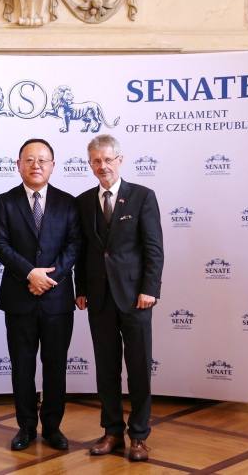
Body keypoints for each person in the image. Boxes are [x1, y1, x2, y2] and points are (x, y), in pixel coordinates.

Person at [75, 134, 164, 462]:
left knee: (139, 368)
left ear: (120, 160)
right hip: (99, 299)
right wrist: (80, 289)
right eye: (96, 161)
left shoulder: (142, 197)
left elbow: (154, 248)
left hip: (135, 298)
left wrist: (150, 289)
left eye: (108, 160)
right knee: (106, 368)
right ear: (90, 164)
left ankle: (139, 435)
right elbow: (82, 250)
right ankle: (112, 431)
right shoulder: (83, 202)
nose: (103, 166)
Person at [0, 138, 80, 451]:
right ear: (18, 165)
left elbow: (73, 246)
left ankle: (53, 427)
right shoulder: (5, 201)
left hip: (56, 301)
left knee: (55, 366)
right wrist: (30, 273)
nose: (36, 165)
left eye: (43, 160)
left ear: (53, 165)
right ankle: (26, 427)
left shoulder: (69, 203)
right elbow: (0, 245)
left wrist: (48, 277)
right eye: (29, 160)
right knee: (23, 367)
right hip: (19, 298)